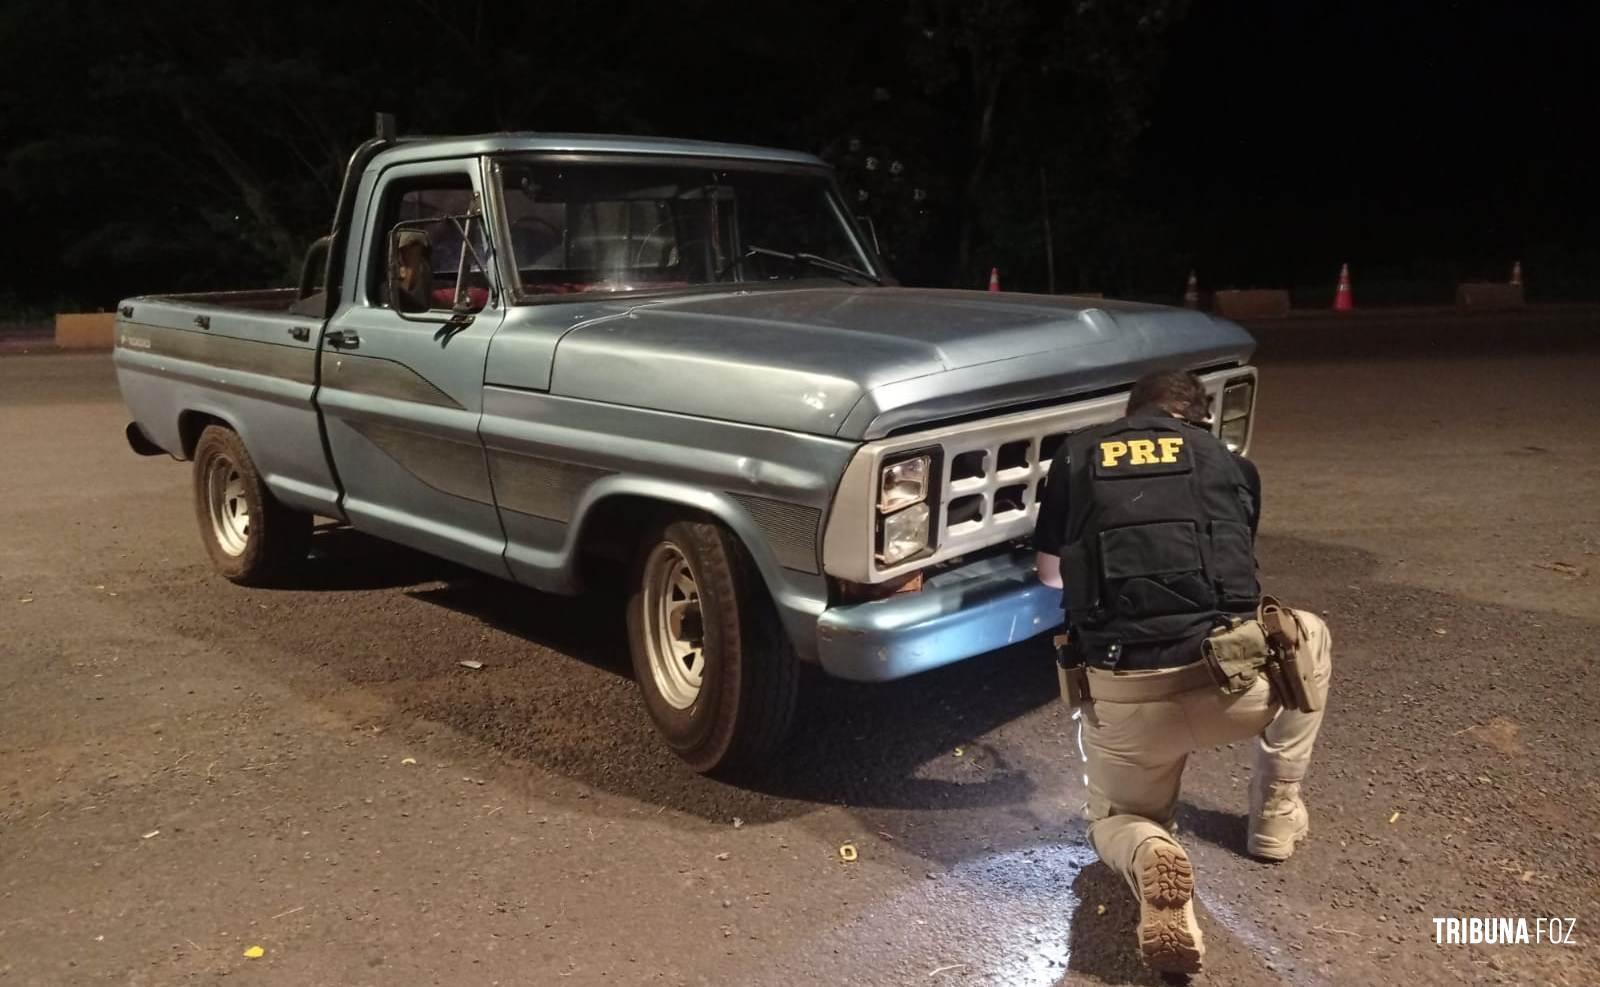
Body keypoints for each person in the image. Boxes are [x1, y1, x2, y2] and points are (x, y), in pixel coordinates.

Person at [1033, 369, 1332, 974]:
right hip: (1236, 686)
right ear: (1198, 418)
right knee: (1311, 631)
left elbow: (1050, 576)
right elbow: (1235, 565)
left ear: (1130, 412)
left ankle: (1149, 852)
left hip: (1128, 702)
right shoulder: (1231, 464)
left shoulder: (1077, 456)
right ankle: (1274, 816)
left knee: (1117, 820)